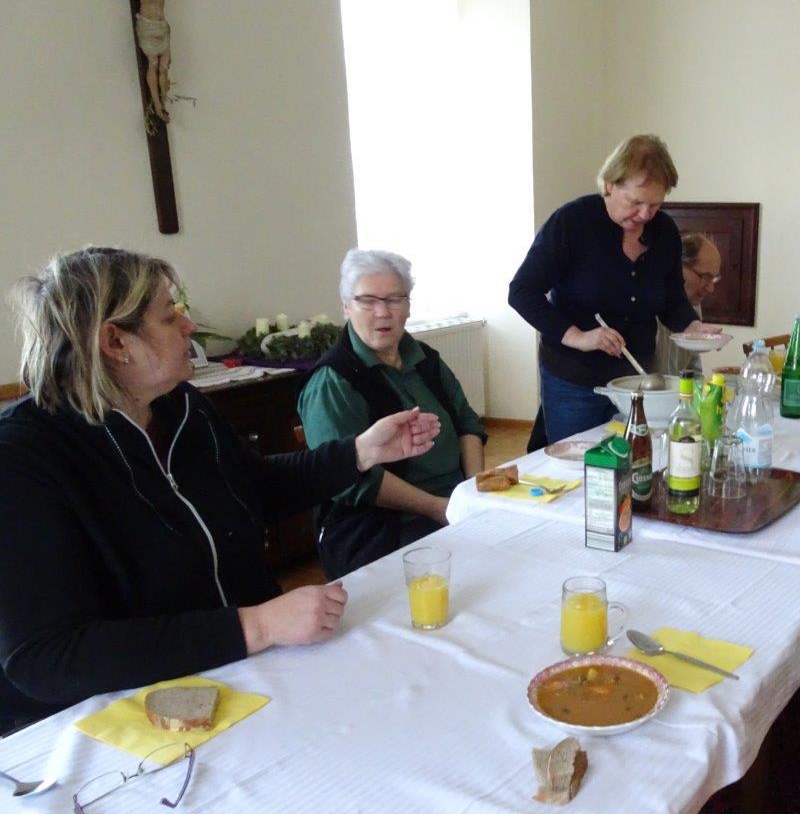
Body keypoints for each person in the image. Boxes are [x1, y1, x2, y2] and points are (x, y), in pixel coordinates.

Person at [0, 247, 439, 732]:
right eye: (169, 315)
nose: (189, 326)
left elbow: (254, 487)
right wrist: (256, 625)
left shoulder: (180, 406)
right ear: (114, 341)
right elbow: (47, 657)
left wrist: (359, 452)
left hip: (238, 675)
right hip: (125, 717)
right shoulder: (23, 457)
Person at [508, 134, 718, 443]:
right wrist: (579, 337)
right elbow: (522, 292)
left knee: (636, 458)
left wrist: (694, 328)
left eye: (655, 204)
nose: (645, 215)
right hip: (574, 380)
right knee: (577, 462)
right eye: (635, 202)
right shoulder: (571, 223)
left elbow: (672, 299)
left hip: (636, 381)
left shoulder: (664, 232)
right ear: (610, 184)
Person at [298, 249, 487, 579]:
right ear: (346, 306)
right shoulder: (333, 381)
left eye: (394, 299)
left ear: (408, 306)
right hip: (385, 527)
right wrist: (439, 508)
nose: (383, 312)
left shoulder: (424, 358)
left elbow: (467, 422)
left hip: (453, 504)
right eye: (367, 301)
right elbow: (350, 480)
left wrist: (471, 491)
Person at [653, 233, 722, 377]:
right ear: (677, 266)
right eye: (704, 277)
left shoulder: (694, 307)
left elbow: (693, 369)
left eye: (713, 279)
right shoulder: (646, 303)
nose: (710, 289)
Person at [123, 0, 183, 122]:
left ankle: (163, 102)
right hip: (148, 26)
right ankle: (157, 106)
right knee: (153, 63)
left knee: (164, 66)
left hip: (161, 26)